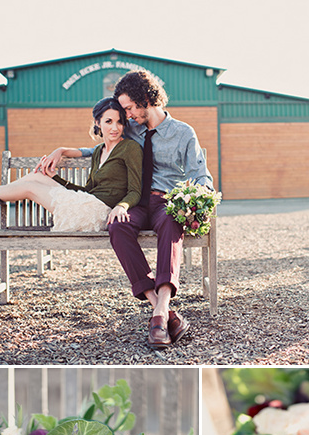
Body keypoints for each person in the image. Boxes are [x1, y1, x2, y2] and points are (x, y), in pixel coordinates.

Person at [37, 69, 213, 350]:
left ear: (146, 98)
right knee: (117, 225)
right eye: (125, 110)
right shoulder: (132, 127)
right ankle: (164, 313)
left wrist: (198, 200)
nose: (127, 115)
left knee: (171, 222)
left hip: (166, 202)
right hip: (136, 202)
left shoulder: (182, 133)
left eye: (130, 108)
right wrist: (63, 150)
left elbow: (201, 175)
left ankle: (159, 311)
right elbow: (104, 144)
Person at [0, 98, 142, 233]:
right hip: (87, 203)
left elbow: (135, 190)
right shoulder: (98, 152)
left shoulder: (130, 148)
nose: (115, 128)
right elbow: (87, 191)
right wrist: (55, 178)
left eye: (119, 122)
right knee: (37, 177)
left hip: (97, 213)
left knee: (28, 186)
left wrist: (121, 206)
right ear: (97, 123)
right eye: (108, 122)